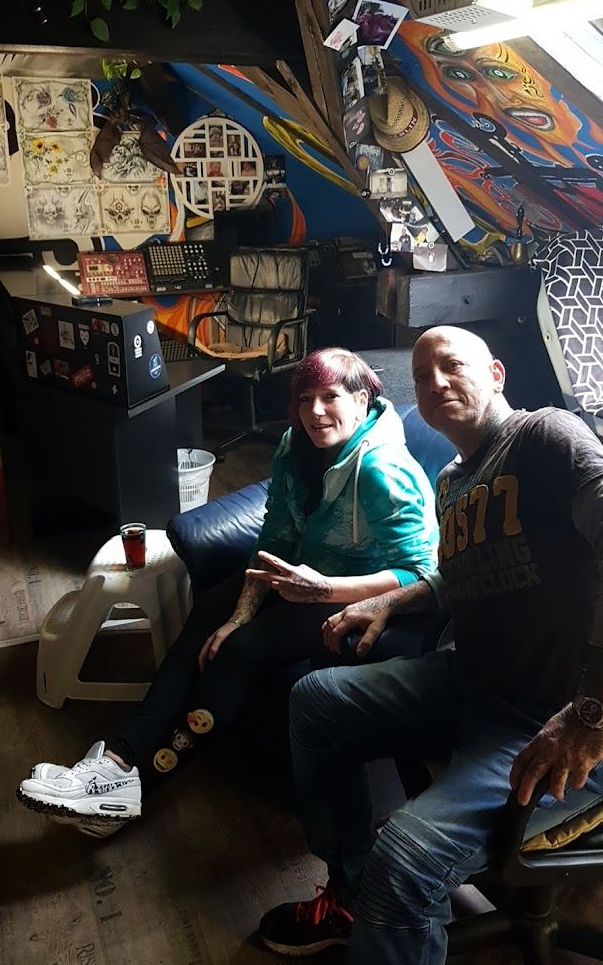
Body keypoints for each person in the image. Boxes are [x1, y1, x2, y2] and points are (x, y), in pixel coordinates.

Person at [258, 325, 603, 962]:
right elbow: (462, 573)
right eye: (421, 375)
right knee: (314, 701)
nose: (436, 381)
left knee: (406, 859)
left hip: (555, 723)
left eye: (452, 365)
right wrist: (394, 598)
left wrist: (591, 713)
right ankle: (352, 893)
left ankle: (387, 899)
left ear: (496, 374)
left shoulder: (546, 437)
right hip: (471, 682)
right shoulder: (451, 480)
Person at [18, 348, 438, 838]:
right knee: (208, 620)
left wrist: (322, 589)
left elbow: (421, 573)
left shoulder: (383, 470)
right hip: (296, 573)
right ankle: (115, 762)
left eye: (330, 397)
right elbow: (275, 536)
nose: (316, 411)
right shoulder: (294, 446)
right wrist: (240, 613)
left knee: (239, 650)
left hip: (349, 591)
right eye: (306, 399)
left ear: (362, 399)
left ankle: (136, 788)